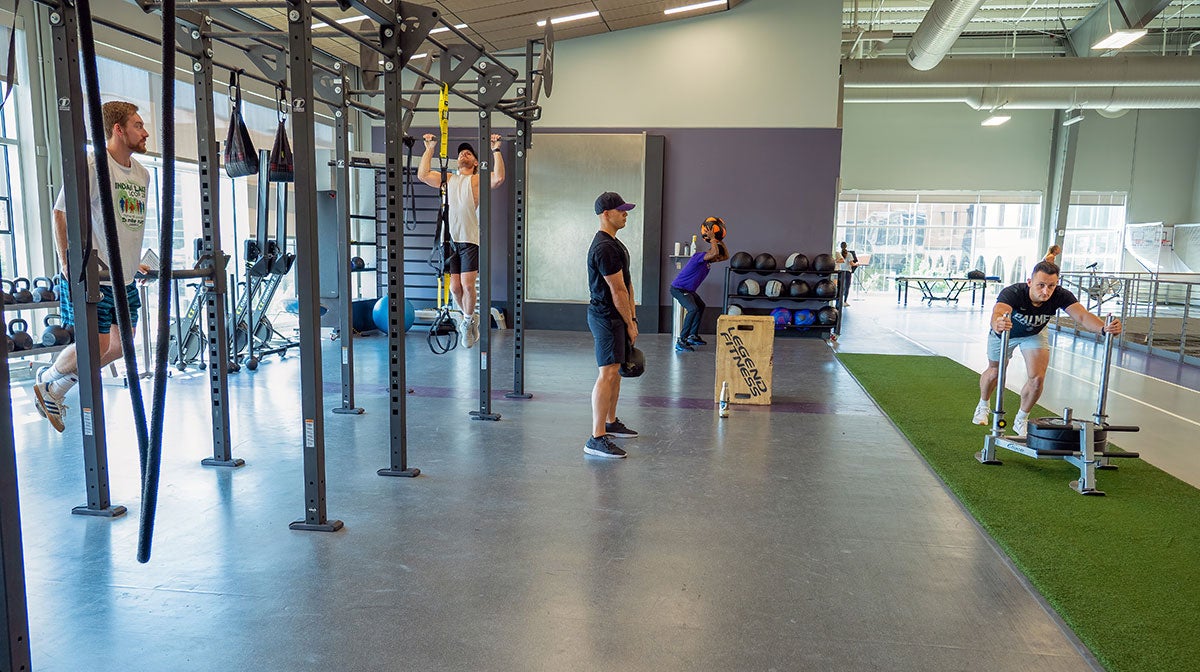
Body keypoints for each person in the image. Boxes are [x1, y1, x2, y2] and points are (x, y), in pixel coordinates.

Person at [32, 101, 153, 433]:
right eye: (138, 125)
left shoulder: (142, 174)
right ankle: (49, 377)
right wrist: (68, 262)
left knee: (123, 344)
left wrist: (133, 259)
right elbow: (61, 212)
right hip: (94, 274)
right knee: (96, 344)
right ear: (118, 129)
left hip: (124, 276)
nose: (145, 132)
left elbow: (125, 223)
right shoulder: (92, 165)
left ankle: (54, 385)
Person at [972, 260, 1122, 436]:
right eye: (1041, 285)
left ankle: (1022, 418)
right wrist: (997, 323)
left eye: (1051, 286)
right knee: (995, 371)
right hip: (1005, 331)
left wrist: (1103, 328)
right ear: (1029, 282)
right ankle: (983, 405)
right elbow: (998, 311)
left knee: (1037, 380)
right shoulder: (1013, 292)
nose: (1046, 291)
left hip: (1034, 334)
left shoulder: (1060, 295)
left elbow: (1082, 316)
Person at [417, 133, 505, 349]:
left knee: (467, 284)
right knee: (455, 288)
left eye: (468, 153)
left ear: (475, 162)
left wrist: (496, 150)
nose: (463, 155)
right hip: (449, 240)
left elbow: (499, 178)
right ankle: (467, 317)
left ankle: (466, 322)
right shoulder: (448, 179)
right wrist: (429, 148)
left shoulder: (476, 180)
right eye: (461, 154)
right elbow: (423, 174)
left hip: (468, 238)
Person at [585, 192, 640, 459]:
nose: (625, 213)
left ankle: (610, 421)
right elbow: (617, 290)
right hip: (606, 316)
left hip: (617, 315)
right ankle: (596, 437)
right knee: (607, 373)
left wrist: (632, 318)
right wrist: (629, 324)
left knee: (615, 371)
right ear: (606, 214)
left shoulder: (616, 244)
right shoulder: (604, 247)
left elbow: (628, 284)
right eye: (621, 210)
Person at [669, 217, 729, 352]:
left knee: (700, 306)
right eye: (716, 255)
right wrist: (713, 239)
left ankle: (692, 336)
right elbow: (714, 252)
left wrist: (720, 241)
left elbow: (726, 257)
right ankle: (681, 341)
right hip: (678, 288)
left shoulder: (708, 261)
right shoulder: (699, 256)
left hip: (688, 290)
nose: (717, 258)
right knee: (693, 309)